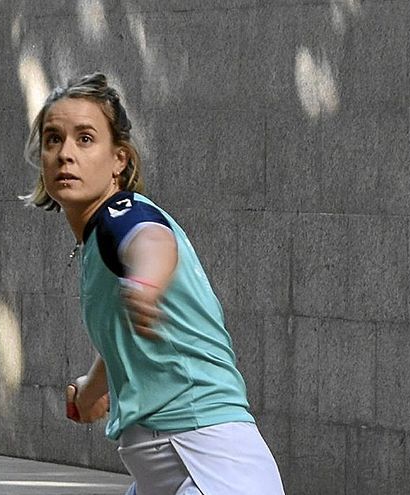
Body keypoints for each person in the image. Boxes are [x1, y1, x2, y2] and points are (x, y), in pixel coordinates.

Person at [23, 72, 284, 495]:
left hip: (211, 460)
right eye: (53, 139)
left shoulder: (120, 213)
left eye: (85, 138)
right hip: (160, 467)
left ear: (119, 159)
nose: (65, 154)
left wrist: (146, 281)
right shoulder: (96, 239)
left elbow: (152, 240)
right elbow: (124, 333)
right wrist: (92, 389)